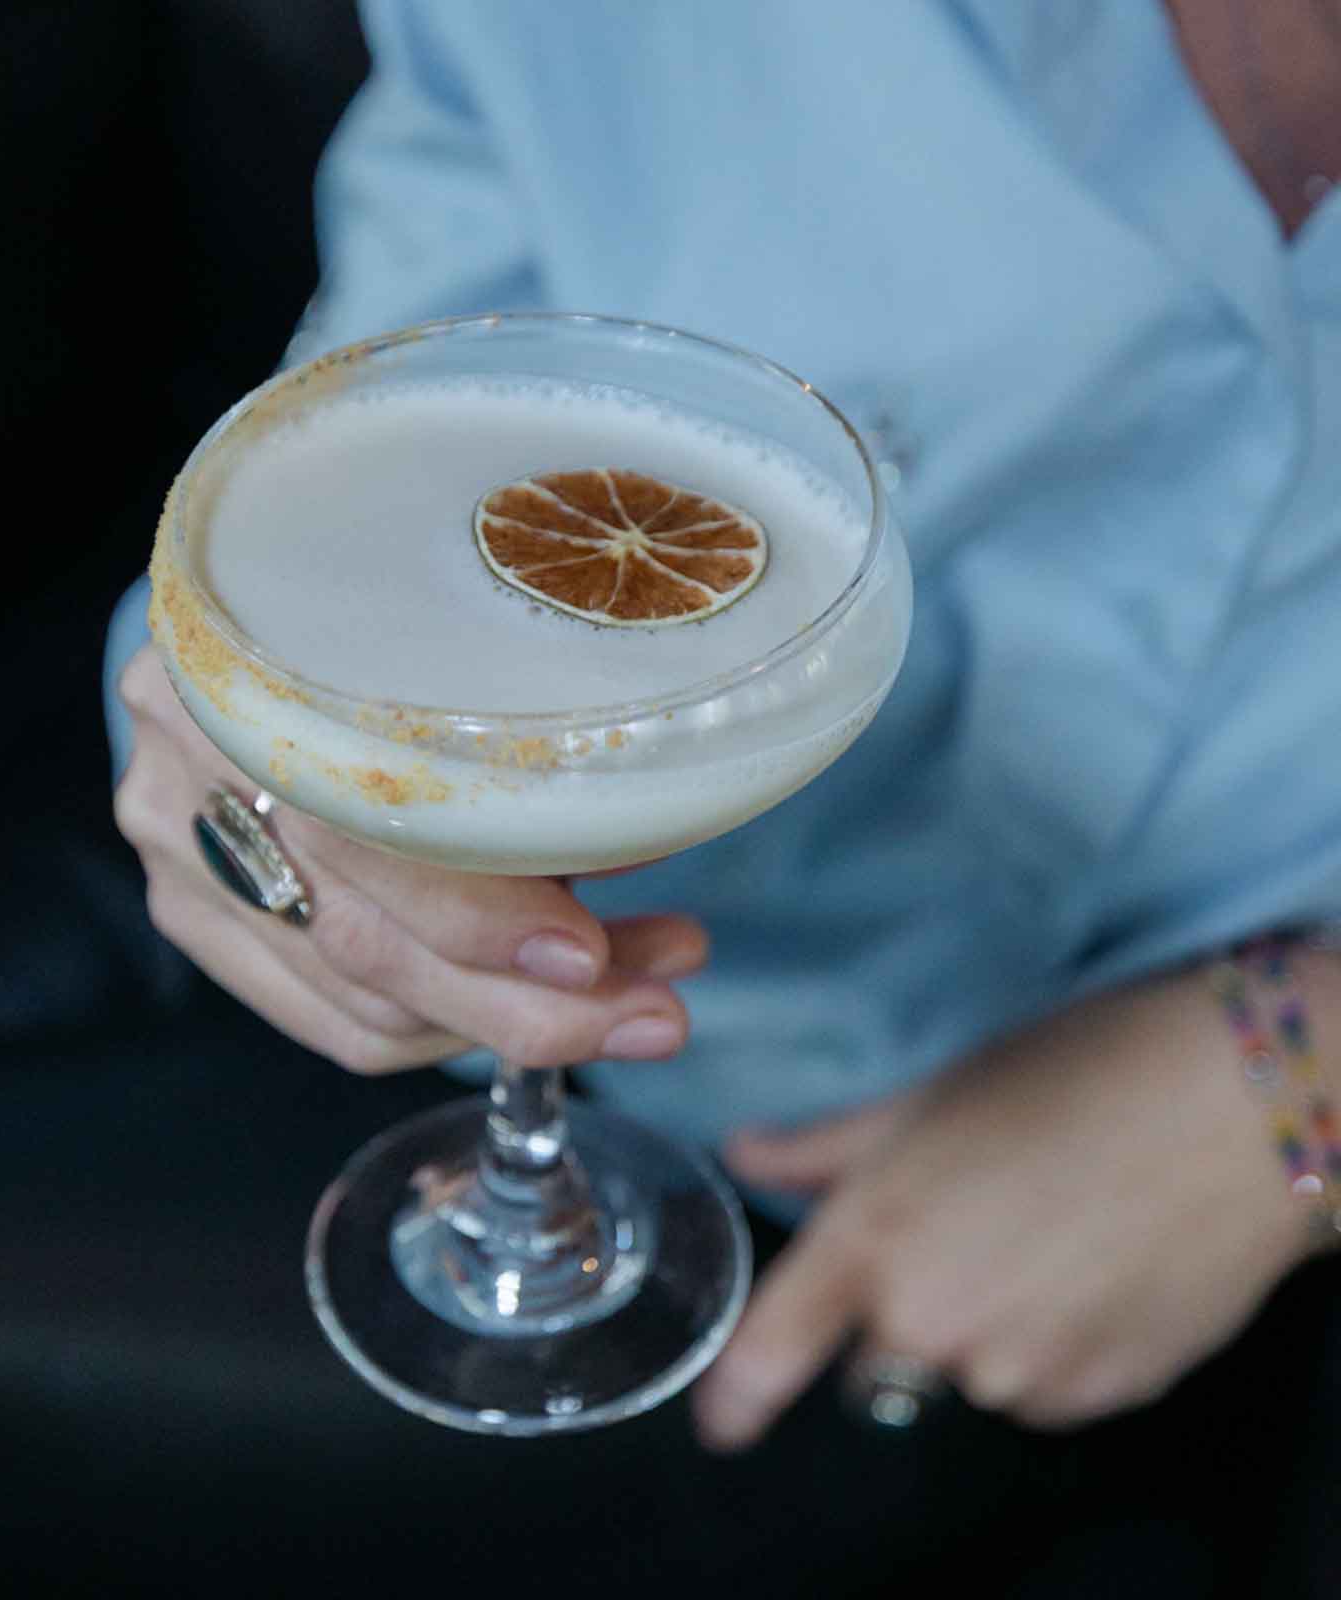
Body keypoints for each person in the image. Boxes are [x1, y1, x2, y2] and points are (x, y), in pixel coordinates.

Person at [106, 0, 1341, 1459]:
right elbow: (352, 445)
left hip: (1232, 1197)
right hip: (574, 1039)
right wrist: (241, 770)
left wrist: (1306, 1070)